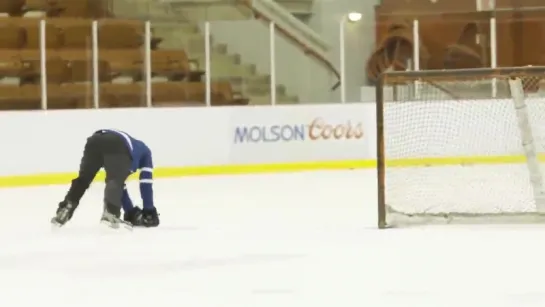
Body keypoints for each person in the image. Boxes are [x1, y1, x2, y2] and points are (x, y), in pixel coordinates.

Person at [51, 129, 160, 229]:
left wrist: (130, 210)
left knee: (84, 179)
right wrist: (149, 210)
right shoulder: (145, 154)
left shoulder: (136, 149)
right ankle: (110, 215)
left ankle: (66, 209)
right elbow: (146, 182)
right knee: (115, 181)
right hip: (117, 143)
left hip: (95, 140)